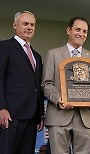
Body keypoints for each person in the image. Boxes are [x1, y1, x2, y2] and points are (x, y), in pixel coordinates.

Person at [41, 17, 90, 154]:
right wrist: (58, 99)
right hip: (59, 115)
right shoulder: (53, 54)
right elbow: (46, 83)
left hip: (86, 118)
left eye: (85, 31)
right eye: (78, 29)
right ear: (69, 30)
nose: (81, 33)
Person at [0, 11, 44, 154]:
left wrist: (40, 114)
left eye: (32, 24)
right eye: (25, 23)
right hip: (11, 115)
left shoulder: (37, 56)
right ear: (15, 25)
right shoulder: (4, 47)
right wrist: (2, 108)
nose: (29, 27)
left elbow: (38, 85)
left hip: (32, 118)